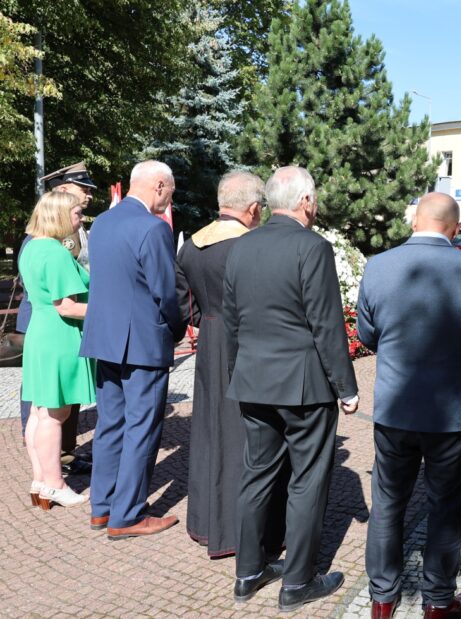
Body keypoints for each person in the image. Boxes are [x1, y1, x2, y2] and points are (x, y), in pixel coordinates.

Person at [357, 192, 461, 619]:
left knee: (388, 503)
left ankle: (382, 600)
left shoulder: (378, 265)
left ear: (414, 222)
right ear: (455, 228)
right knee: (445, 505)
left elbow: (368, 335)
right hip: (449, 411)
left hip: (395, 407)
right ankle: (438, 602)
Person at [223, 166, 359, 612]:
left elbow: (232, 321)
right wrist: (347, 386)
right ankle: (298, 582)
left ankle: (248, 572)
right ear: (304, 202)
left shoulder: (241, 246)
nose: (315, 206)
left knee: (257, 474)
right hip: (304, 386)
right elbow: (326, 323)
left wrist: (237, 372)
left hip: (254, 380)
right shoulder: (312, 247)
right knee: (307, 481)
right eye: (314, 199)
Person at [175, 171, 286, 559]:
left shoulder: (191, 245)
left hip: (209, 339)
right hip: (250, 343)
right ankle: (245, 531)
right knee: (250, 435)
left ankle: (207, 524)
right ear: (254, 208)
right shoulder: (255, 245)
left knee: (209, 430)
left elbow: (182, 305)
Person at [80, 160, 186, 539]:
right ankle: (127, 515)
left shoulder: (101, 223)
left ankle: (102, 507)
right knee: (142, 426)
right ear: (159, 185)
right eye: (170, 191)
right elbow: (165, 291)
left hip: (104, 339)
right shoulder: (152, 228)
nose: (169, 199)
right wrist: (177, 329)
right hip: (141, 342)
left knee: (111, 424)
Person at [17, 162, 97, 476]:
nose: (88, 195)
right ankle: (50, 460)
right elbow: (53, 285)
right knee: (45, 400)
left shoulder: (66, 230)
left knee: (62, 401)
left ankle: (59, 454)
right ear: (63, 190)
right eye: (83, 189)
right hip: (53, 319)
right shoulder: (51, 239)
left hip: (61, 318)